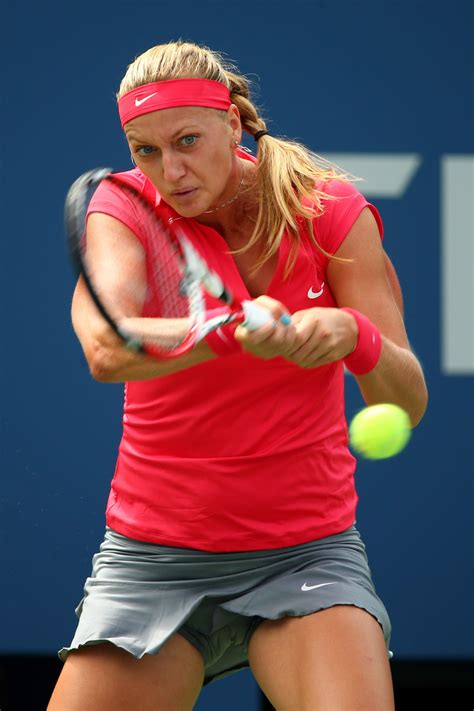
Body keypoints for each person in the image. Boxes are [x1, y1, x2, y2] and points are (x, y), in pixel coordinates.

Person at [48, 40, 428, 711]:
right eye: (147, 150)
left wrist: (354, 335)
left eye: (188, 140)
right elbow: (107, 346)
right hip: (151, 557)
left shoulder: (327, 210)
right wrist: (229, 328)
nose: (171, 170)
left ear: (233, 123)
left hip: (305, 553)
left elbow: (407, 397)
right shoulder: (123, 207)